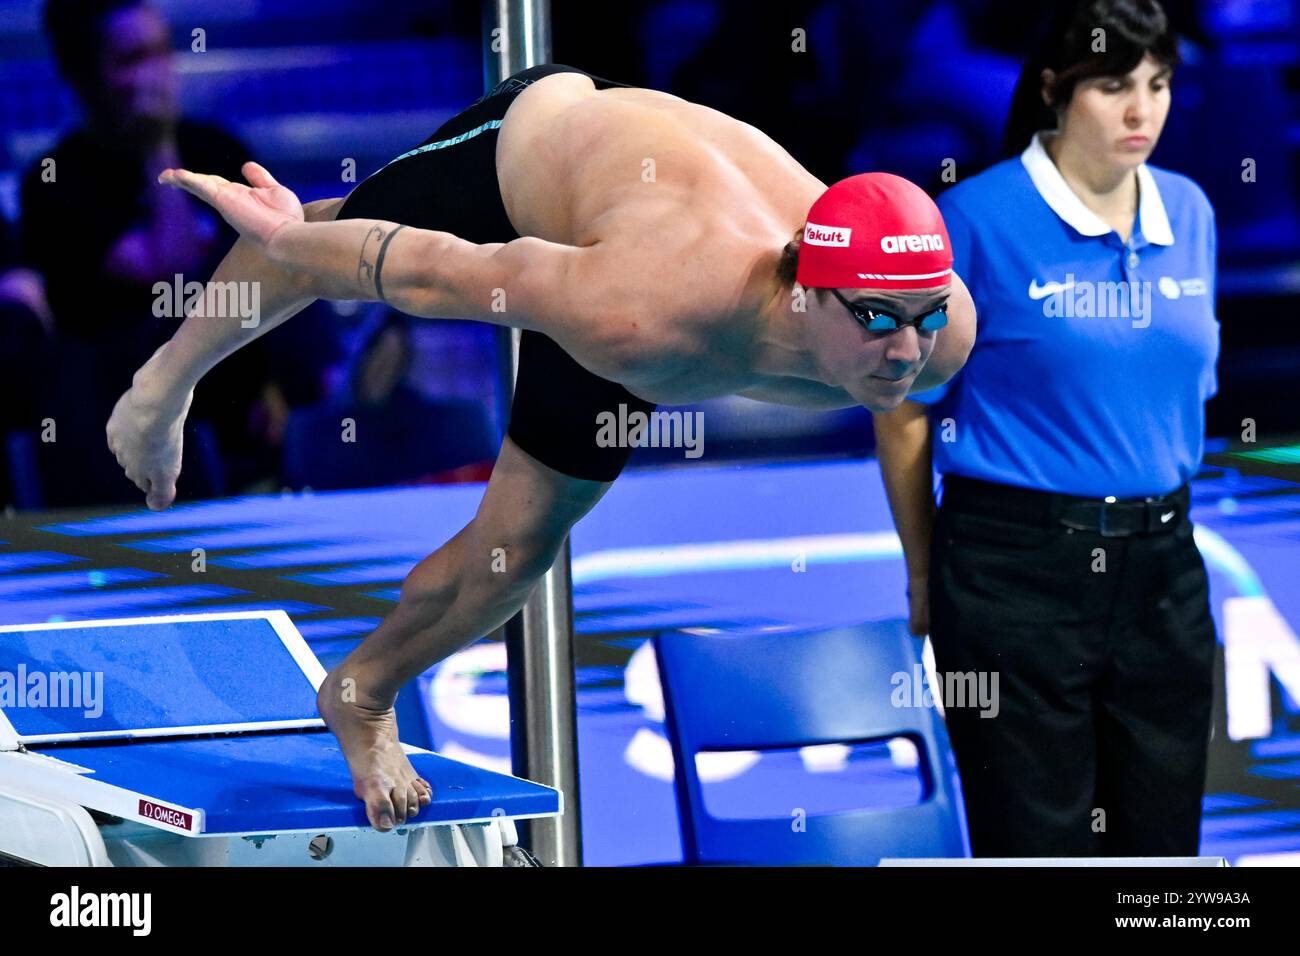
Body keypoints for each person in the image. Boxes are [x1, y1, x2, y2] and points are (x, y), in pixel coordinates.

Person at [106, 63, 977, 830]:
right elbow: (431, 272)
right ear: (808, 292)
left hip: (653, 305)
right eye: (876, 321)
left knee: (513, 555)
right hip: (539, 158)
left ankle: (362, 693)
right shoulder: (644, 304)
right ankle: (162, 386)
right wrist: (295, 240)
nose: (906, 351)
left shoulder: (941, 330)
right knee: (310, 246)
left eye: (922, 316)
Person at [874, 0, 1218, 856]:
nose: (1143, 111)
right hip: (1011, 575)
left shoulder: (1193, 211)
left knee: (1161, 867)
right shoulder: (974, 220)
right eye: (1114, 86)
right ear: (1057, 90)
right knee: (1038, 848)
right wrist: (924, 573)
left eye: (1159, 84)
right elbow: (903, 413)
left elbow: (1184, 395)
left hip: (1165, 572)